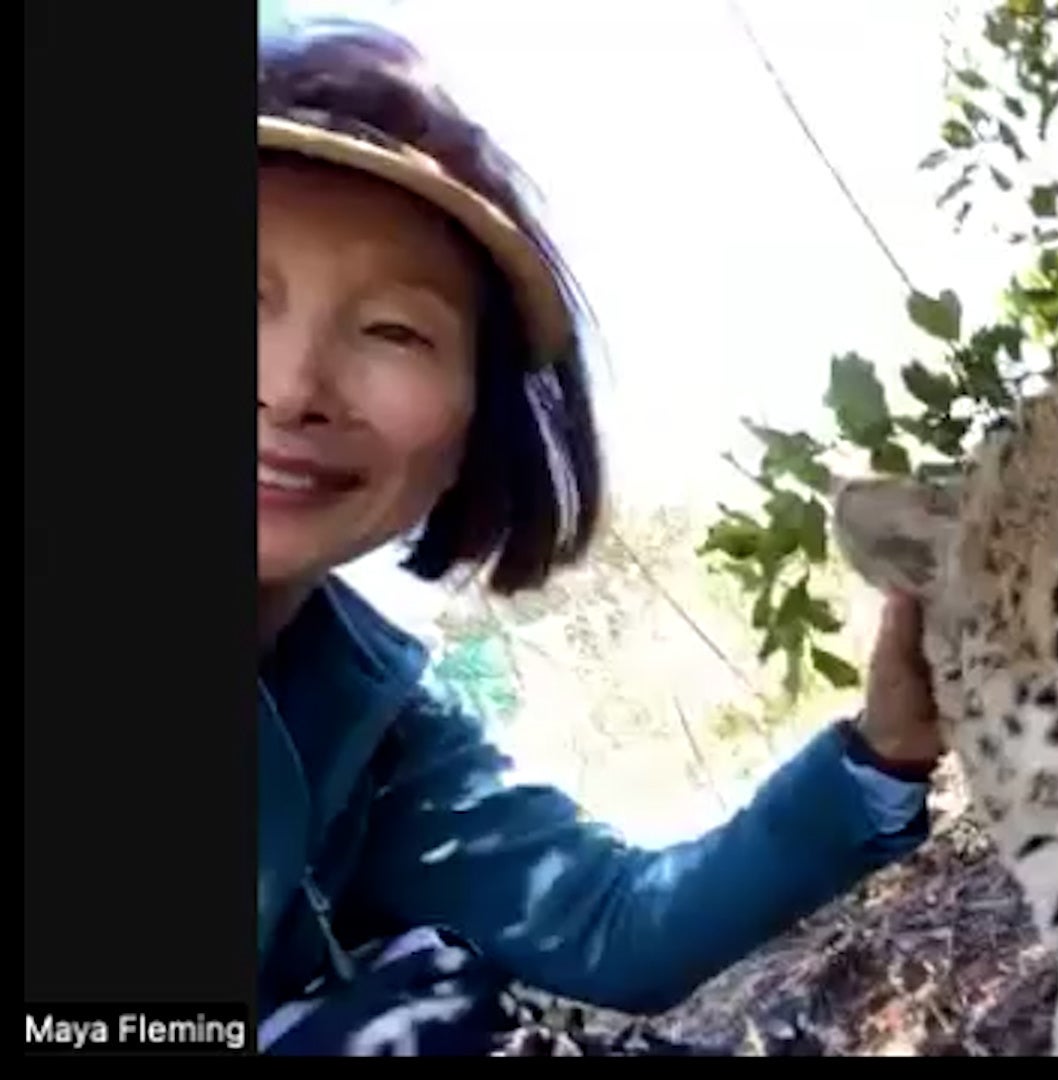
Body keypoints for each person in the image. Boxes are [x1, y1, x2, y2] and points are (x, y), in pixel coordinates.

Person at [256, 18, 943, 1055]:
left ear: (477, 426)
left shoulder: (364, 722)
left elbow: (611, 924)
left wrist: (887, 745)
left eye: (394, 331)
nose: (293, 386)